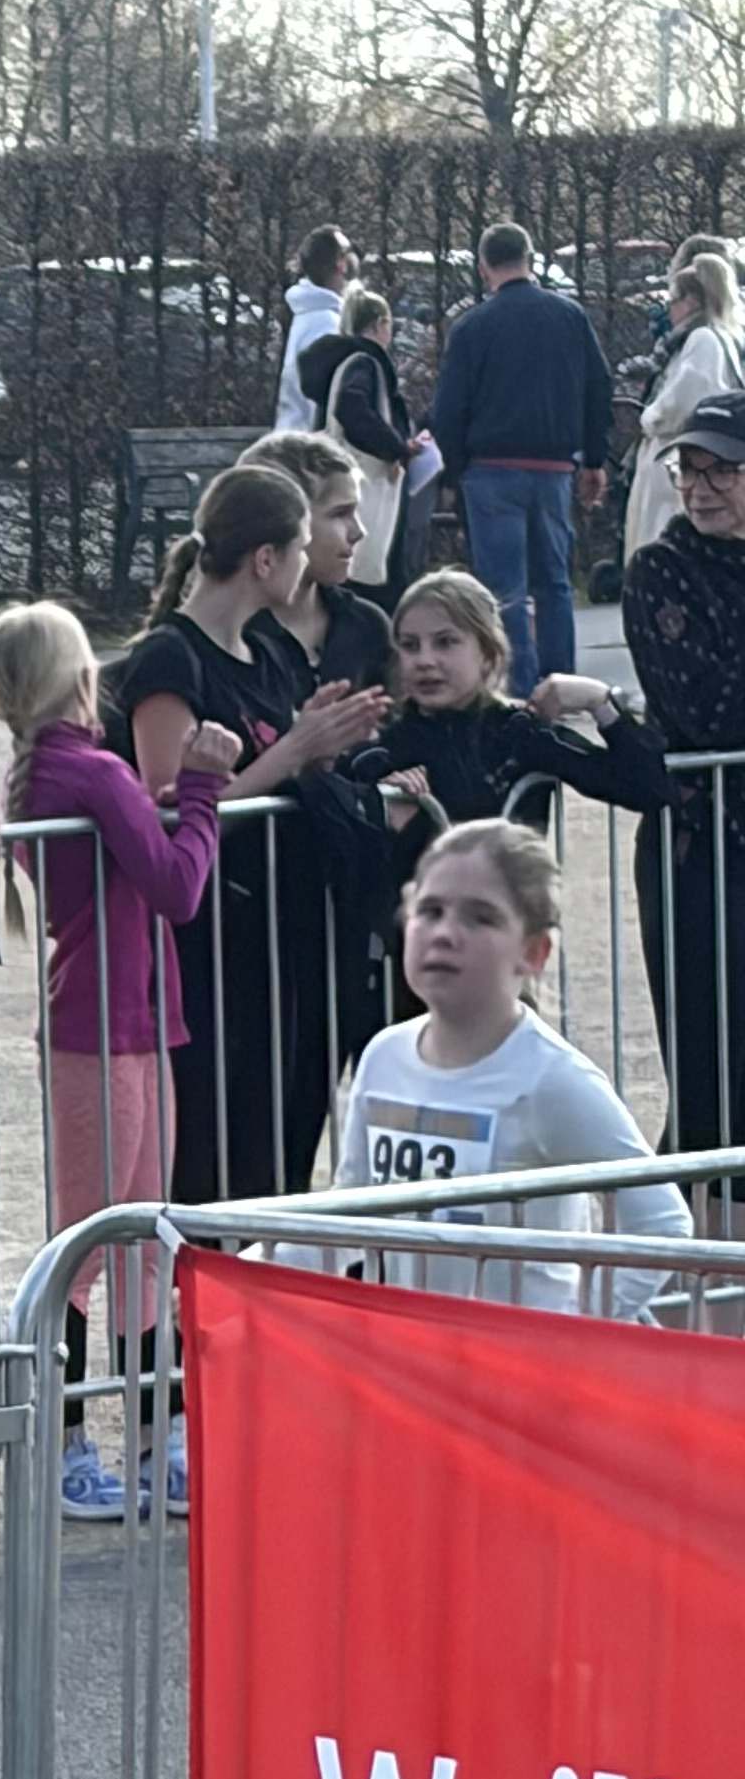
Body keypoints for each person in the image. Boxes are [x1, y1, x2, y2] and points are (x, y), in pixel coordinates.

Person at [0, 600, 234, 1524]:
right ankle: (66, 1444)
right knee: (88, 1247)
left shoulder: (53, 773)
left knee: (135, 1244)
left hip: (127, 1019)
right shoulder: (90, 771)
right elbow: (177, 886)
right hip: (106, 1025)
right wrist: (201, 792)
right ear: (80, 678)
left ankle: (155, 1438)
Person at [102, 464, 386, 1218]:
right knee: (211, 1162)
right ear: (266, 559)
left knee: (277, 1159)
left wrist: (322, 745)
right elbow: (171, 813)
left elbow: (276, 770)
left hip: (279, 941)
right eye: (298, 546)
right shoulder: (170, 656)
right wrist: (293, 751)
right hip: (208, 951)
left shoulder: (270, 654)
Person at [312, 821, 690, 1316]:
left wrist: (569, 1333)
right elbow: (348, 1214)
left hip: (521, 1361)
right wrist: (240, 1273)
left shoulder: (552, 1080)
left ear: (533, 952)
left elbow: (662, 1222)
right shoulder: (384, 1056)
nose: (445, 934)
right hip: (412, 1352)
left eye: (480, 918)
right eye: (430, 910)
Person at [354, 571, 669, 1022]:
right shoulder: (385, 748)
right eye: (410, 645)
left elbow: (647, 786)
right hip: (406, 972)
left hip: (500, 960)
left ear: (488, 654)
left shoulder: (520, 735)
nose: (425, 660)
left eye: (446, 642)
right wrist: (383, 809)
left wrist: (600, 700)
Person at [243, 429, 404, 1101]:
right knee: (275, 1117)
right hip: (260, 913)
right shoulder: (233, 632)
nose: (358, 532)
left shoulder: (365, 625)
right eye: (340, 513)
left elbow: (403, 737)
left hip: (362, 907)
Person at [622, 384, 745, 1164]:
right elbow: (708, 711)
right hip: (701, 847)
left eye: (722, 470)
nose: (700, 488)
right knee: (712, 1078)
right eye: (688, 470)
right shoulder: (660, 571)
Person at [428, 224, 614, 692]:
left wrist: (453, 471)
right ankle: (562, 685)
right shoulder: (570, 317)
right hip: (553, 469)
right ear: (530, 259)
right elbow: (598, 389)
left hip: (490, 471)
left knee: (503, 590)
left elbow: (449, 410)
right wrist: (594, 458)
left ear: (483, 267)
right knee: (555, 584)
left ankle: (517, 690)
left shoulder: (471, 327)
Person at [294, 287, 421, 598]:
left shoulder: (336, 362)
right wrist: (396, 447)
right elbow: (352, 408)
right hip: (365, 479)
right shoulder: (365, 363)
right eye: (389, 323)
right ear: (378, 324)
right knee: (374, 571)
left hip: (338, 478)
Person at [628, 255, 745, 565]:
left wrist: (649, 416)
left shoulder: (703, 339)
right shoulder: (720, 336)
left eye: (674, 300)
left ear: (692, 301)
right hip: (693, 454)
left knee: (665, 539)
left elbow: (684, 402)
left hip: (683, 454)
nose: (670, 309)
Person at [272, 226, 356, 433]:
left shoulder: (310, 315)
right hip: (309, 443)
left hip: (296, 436)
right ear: (340, 264)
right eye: (347, 253)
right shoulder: (327, 324)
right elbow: (326, 402)